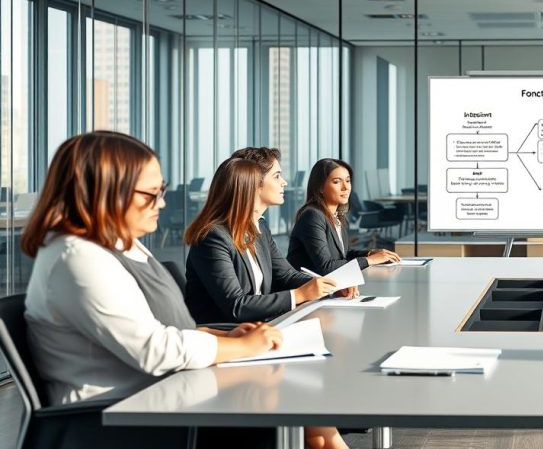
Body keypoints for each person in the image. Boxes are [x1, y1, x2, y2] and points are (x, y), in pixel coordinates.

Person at [21, 131, 282, 448]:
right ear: (106, 192)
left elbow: (163, 328)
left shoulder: (122, 245)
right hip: (120, 421)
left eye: (162, 191)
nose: (161, 202)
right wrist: (243, 348)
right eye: (150, 194)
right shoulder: (78, 258)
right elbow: (154, 350)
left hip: (161, 398)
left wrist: (226, 337)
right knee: (277, 410)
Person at [184, 154, 350, 449]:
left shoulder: (257, 229)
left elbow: (286, 275)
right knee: (316, 408)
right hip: (230, 341)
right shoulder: (213, 237)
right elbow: (235, 305)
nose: (284, 182)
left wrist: (328, 287)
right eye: (277, 176)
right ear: (252, 188)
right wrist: (300, 296)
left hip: (260, 334)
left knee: (320, 421)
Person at [288, 158, 401, 275]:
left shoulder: (338, 216)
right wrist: (370, 260)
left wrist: (371, 253)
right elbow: (326, 266)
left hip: (331, 285)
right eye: (337, 182)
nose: (346, 187)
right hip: (307, 289)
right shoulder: (312, 215)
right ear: (320, 187)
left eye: (348, 181)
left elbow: (343, 255)